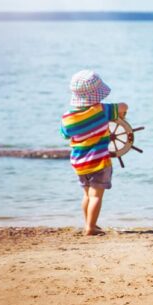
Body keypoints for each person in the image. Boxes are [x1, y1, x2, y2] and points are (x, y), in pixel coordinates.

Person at [60, 70, 128, 236]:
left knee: (87, 195)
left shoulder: (67, 117)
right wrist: (122, 115)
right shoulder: (102, 110)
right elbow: (124, 106)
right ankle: (91, 228)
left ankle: (89, 224)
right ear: (98, 94)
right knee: (96, 196)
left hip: (79, 163)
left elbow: (65, 134)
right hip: (99, 161)